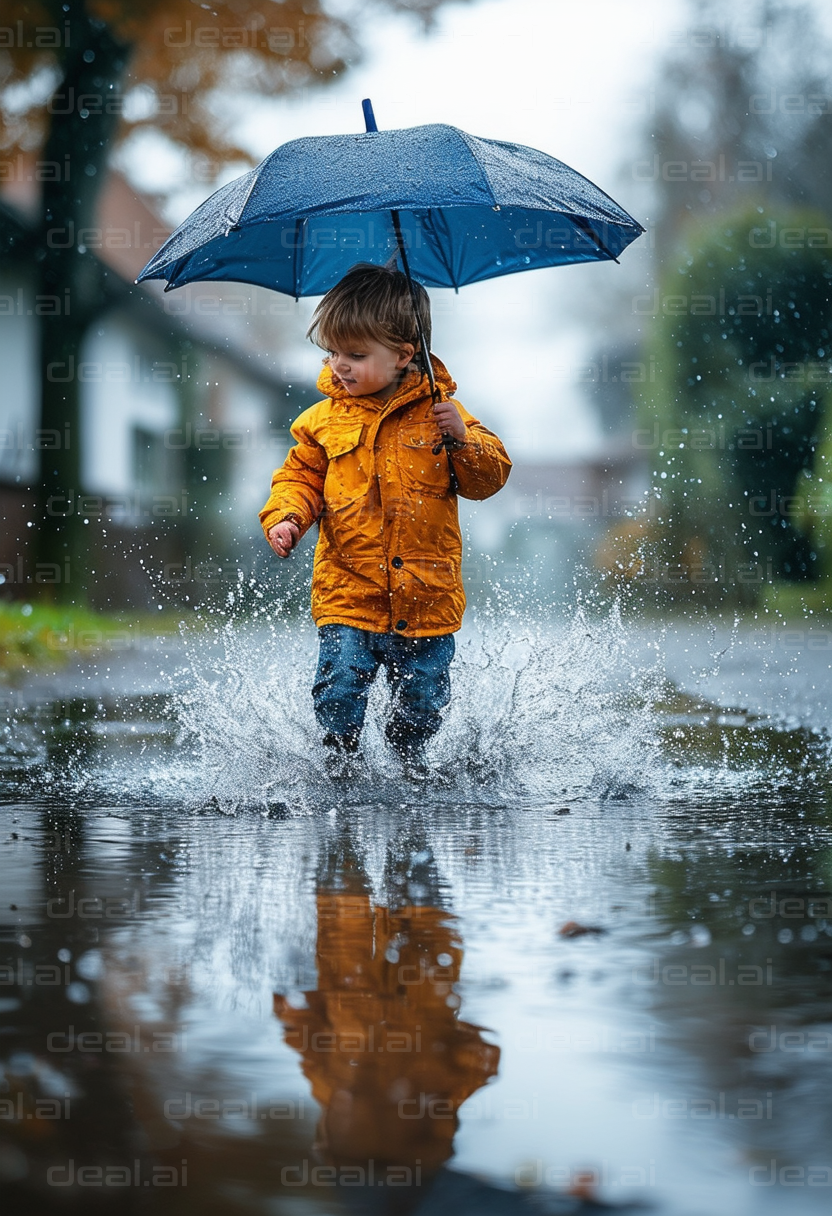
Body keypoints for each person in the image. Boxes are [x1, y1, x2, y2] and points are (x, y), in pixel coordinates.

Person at [259, 262, 511, 777]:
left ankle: (408, 761)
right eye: (332, 351)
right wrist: (287, 518)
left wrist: (463, 439)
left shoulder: (445, 414)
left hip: (427, 596)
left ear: (403, 354)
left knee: (422, 699)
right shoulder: (322, 422)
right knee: (341, 684)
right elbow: (298, 479)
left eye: (355, 355)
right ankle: (340, 764)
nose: (339, 366)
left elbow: (488, 479)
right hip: (348, 592)